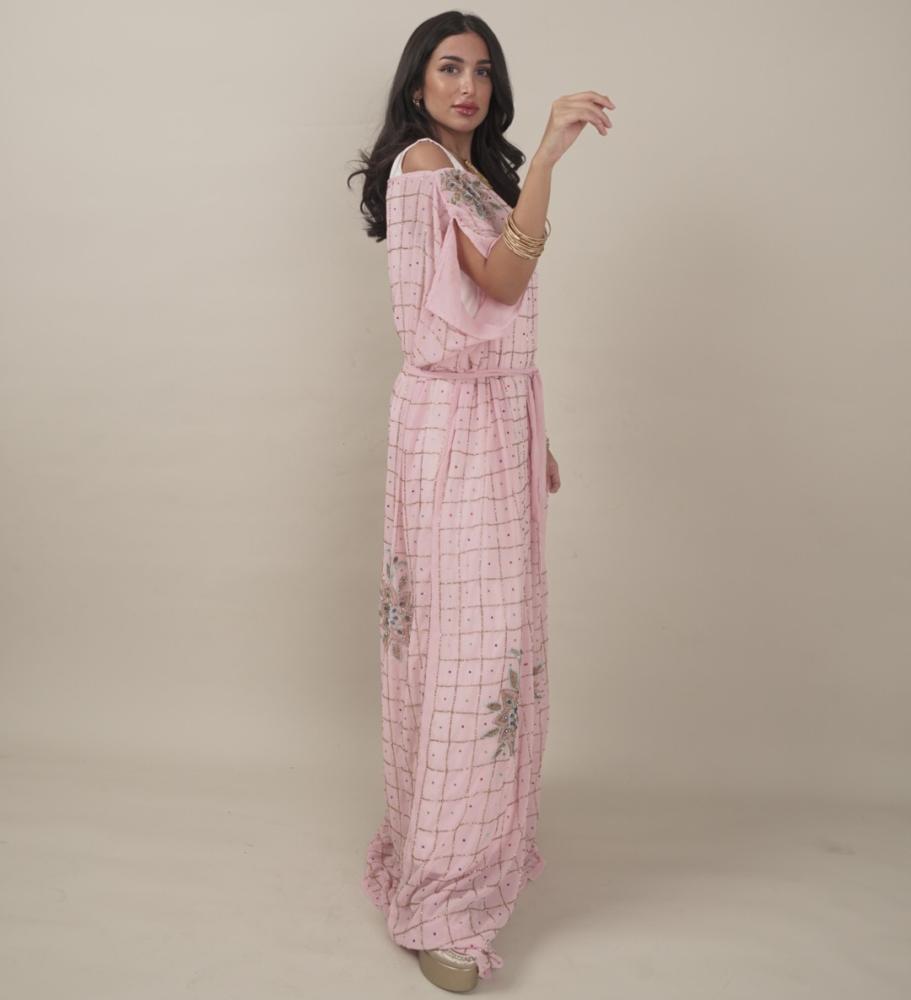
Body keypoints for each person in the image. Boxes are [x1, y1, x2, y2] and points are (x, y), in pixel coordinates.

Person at [347, 10, 614, 991]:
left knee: (486, 650)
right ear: (416, 83)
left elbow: (493, 329)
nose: (467, 86)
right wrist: (547, 154)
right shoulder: (424, 167)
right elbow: (501, 283)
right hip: (451, 432)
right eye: (448, 68)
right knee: (467, 658)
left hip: (489, 423)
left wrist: (530, 436)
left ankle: (460, 857)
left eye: (482, 70)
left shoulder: (468, 173)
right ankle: (442, 900)